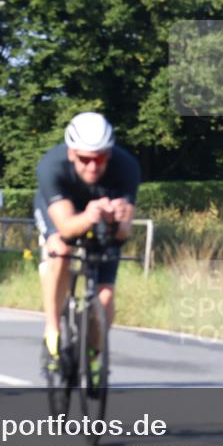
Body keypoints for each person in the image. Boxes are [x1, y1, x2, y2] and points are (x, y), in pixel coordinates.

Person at [33, 112, 140, 377]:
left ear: (109, 154)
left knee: (105, 297)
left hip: (102, 218)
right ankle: (53, 330)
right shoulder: (51, 166)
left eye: (101, 159)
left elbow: (124, 234)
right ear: (71, 154)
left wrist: (118, 220)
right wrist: (90, 215)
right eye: (85, 159)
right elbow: (67, 226)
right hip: (62, 211)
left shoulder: (126, 167)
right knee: (61, 249)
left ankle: (93, 354)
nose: (93, 167)